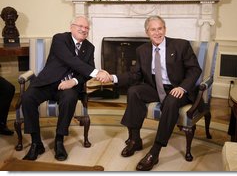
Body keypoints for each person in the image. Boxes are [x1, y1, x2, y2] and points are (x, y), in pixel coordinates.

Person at [100, 15, 202, 171]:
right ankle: (135, 140)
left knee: (171, 100)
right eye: (153, 29)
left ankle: (155, 151)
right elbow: (135, 75)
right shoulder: (142, 50)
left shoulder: (181, 45)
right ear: (147, 32)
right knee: (134, 91)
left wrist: (182, 87)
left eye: (160, 28)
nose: (157, 32)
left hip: (178, 89)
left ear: (165, 29)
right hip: (156, 88)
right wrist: (112, 77)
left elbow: (195, 69)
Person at [21, 15, 110, 161]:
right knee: (27, 97)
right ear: (71, 27)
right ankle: (36, 143)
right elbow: (71, 60)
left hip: (68, 87)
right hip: (47, 83)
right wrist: (97, 73)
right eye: (80, 26)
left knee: (70, 98)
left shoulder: (89, 47)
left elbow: (86, 73)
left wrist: (74, 81)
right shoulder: (60, 39)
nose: (84, 29)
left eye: (87, 27)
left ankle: (59, 140)